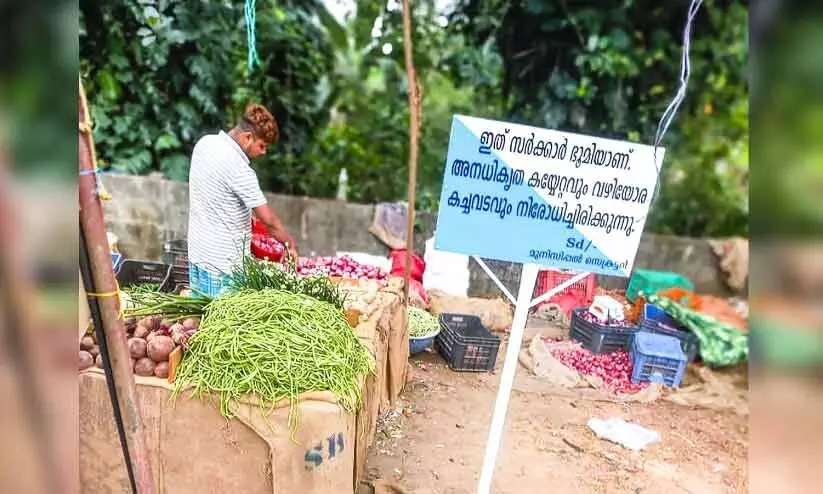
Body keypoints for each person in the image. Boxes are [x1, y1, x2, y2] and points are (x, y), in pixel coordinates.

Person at [187, 103, 297, 297]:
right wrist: (290, 244)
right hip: (224, 268)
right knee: (223, 324)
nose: (264, 152)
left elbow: (215, 193)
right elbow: (270, 222)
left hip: (198, 256)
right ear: (247, 138)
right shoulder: (239, 168)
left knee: (199, 322)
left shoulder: (205, 144)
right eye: (262, 146)